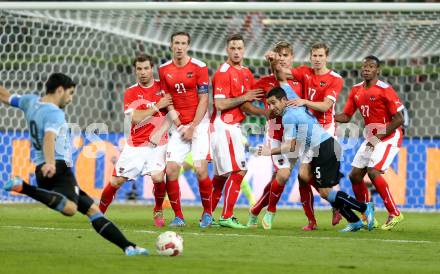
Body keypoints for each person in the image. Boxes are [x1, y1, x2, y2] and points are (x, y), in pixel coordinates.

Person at [0, 73, 148, 256]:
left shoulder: (30, 101)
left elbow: (5, 96)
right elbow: (49, 137)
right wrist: (51, 163)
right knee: (70, 209)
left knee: (93, 210)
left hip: (42, 169)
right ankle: (22, 187)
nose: (70, 99)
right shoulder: (54, 112)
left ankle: (129, 247)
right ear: (59, 90)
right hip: (57, 167)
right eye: (70, 94)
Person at [261, 75, 375, 232]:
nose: (271, 107)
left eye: (273, 103)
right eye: (269, 104)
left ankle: (364, 207)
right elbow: (283, 83)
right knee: (313, 183)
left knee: (325, 192)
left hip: (323, 148)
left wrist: (269, 151)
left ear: (283, 101)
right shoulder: (296, 103)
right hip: (322, 148)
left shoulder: (288, 116)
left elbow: (291, 145)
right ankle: (354, 221)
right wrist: (276, 66)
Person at [99, 54, 172, 228]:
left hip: (158, 143)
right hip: (136, 144)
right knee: (116, 182)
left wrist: (160, 129)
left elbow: (171, 114)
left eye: (146, 68)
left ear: (152, 68)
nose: (143, 72)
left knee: (158, 177)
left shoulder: (163, 87)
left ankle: (158, 209)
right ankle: (98, 213)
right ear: (135, 70)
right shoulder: (131, 92)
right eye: (139, 69)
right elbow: (135, 119)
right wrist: (156, 106)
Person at [335, 55, 405, 230]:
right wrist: (328, 116)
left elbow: (399, 119)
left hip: (389, 137)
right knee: (355, 175)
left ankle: (394, 213)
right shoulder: (356, 90)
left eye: (371, 66)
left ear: (377, 70)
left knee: (373, 172)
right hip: (371, 138)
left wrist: (376, 138)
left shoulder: (385, 90)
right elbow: (346, 116)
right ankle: (367, 213)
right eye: (364, 66)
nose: (366, 69)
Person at [210, 33, 265, 228]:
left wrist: (266, 113)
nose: (236, 51)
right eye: (232, 48)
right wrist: (245, 97)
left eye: (239, 48)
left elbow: (246, 106)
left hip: (233, 126)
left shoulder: (246, 73)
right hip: (223, 125)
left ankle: (207, 217)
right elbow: (220, 103)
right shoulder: (223, 72)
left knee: (220, 177)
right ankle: (226, 216)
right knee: (239, 170)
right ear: (227, 50)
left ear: (244, 50)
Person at [247, 41, 304, 229]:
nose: (282, 58)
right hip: (275, 135)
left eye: (286, 55)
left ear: (292, 57)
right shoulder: (264, 82)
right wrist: (264, 113)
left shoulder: (300, 80)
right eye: (279, 55)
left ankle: (255, 210)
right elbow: (246, 103)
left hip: (294, 135)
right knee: (283, 174)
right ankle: (270, 212)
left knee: (278, 179)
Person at [287, 43, 344, 231]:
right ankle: (314, 218)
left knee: (323, 183)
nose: (317, 59)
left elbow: (327, 106)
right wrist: (275, 60)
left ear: (326, 57)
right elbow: (284, 73)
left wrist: (304, 101)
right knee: (303, 175)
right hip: (308, 130)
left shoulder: (335, 79)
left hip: (325, 132)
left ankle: (340, 203)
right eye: (314, 55)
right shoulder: (305, 73)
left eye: (320, 55)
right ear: (310, 57)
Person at [159, 31, 212, 228]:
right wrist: (180, 125)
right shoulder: (164, 70)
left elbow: (204, 99)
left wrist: (192, 126)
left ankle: (207, 213)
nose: (179, 47)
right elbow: (168, 101)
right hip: (178, 126)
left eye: (183, 43)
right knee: (171, 170)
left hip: (199, 124)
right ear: (171, 45)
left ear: (188, 46)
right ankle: (179, 217)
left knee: (200, 169)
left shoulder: (199, 67)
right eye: (176, 43)